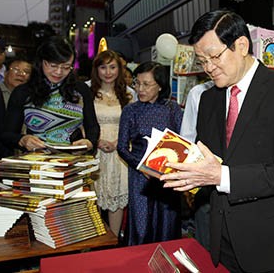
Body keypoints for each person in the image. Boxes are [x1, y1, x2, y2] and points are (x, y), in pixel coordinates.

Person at [160, 10, 274, 272]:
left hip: (272, 244)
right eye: (202, 60)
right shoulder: (208, 99)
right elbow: (208, 161)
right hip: (222, 240)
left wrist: (222, 177)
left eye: (214, 57)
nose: (208, 68)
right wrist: (180, 171)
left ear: (241, 45)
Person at [117, 61, 183, 246]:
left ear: (160, 86)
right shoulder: (130, 110)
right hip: (140, 175)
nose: (140, 89)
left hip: (167, 175)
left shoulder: (173, 109)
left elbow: (182, 141)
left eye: (146, 84)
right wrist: (141, 167)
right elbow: (122, 147)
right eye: (137, 83)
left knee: (167, 224)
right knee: (141, 225)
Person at [2, 36, 100, 153]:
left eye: (66, 67)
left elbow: (93, 126)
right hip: (37, 162)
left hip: (73, 161)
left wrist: (90, 141)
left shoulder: (81, 90)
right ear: (42, 62)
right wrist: (22, 140)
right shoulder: (23, 92)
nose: (59, 72)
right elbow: (7, 134)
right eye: (53, 66)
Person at [89, 50, 136, 238]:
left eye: (112, 67)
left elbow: (134, 125)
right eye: (103, 67)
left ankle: (113, 241)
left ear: (119, 69)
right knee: (93, 198)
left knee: (116, 197)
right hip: (94, 152)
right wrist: (96, 141)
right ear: (96, 70)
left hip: (120, 153)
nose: (108, 72)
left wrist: (119, 142)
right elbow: (81, 123)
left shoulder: (130, 94)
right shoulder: (87, 91)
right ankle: (93, 242)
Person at [180, 80, 214, 251]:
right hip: (204, 176)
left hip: (239, 180)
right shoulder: (198, 92)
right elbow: (187, 136)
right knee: (205, 238)